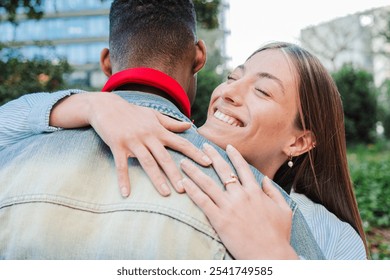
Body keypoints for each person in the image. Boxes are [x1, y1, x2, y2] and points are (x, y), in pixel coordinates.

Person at [0, 1, 324, 259]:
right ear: (198, 57)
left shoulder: (12, 156)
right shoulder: (277, 219)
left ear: (106, 62)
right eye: (232, 78)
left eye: (264, 91)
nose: (228, 93)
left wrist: (85, 103)